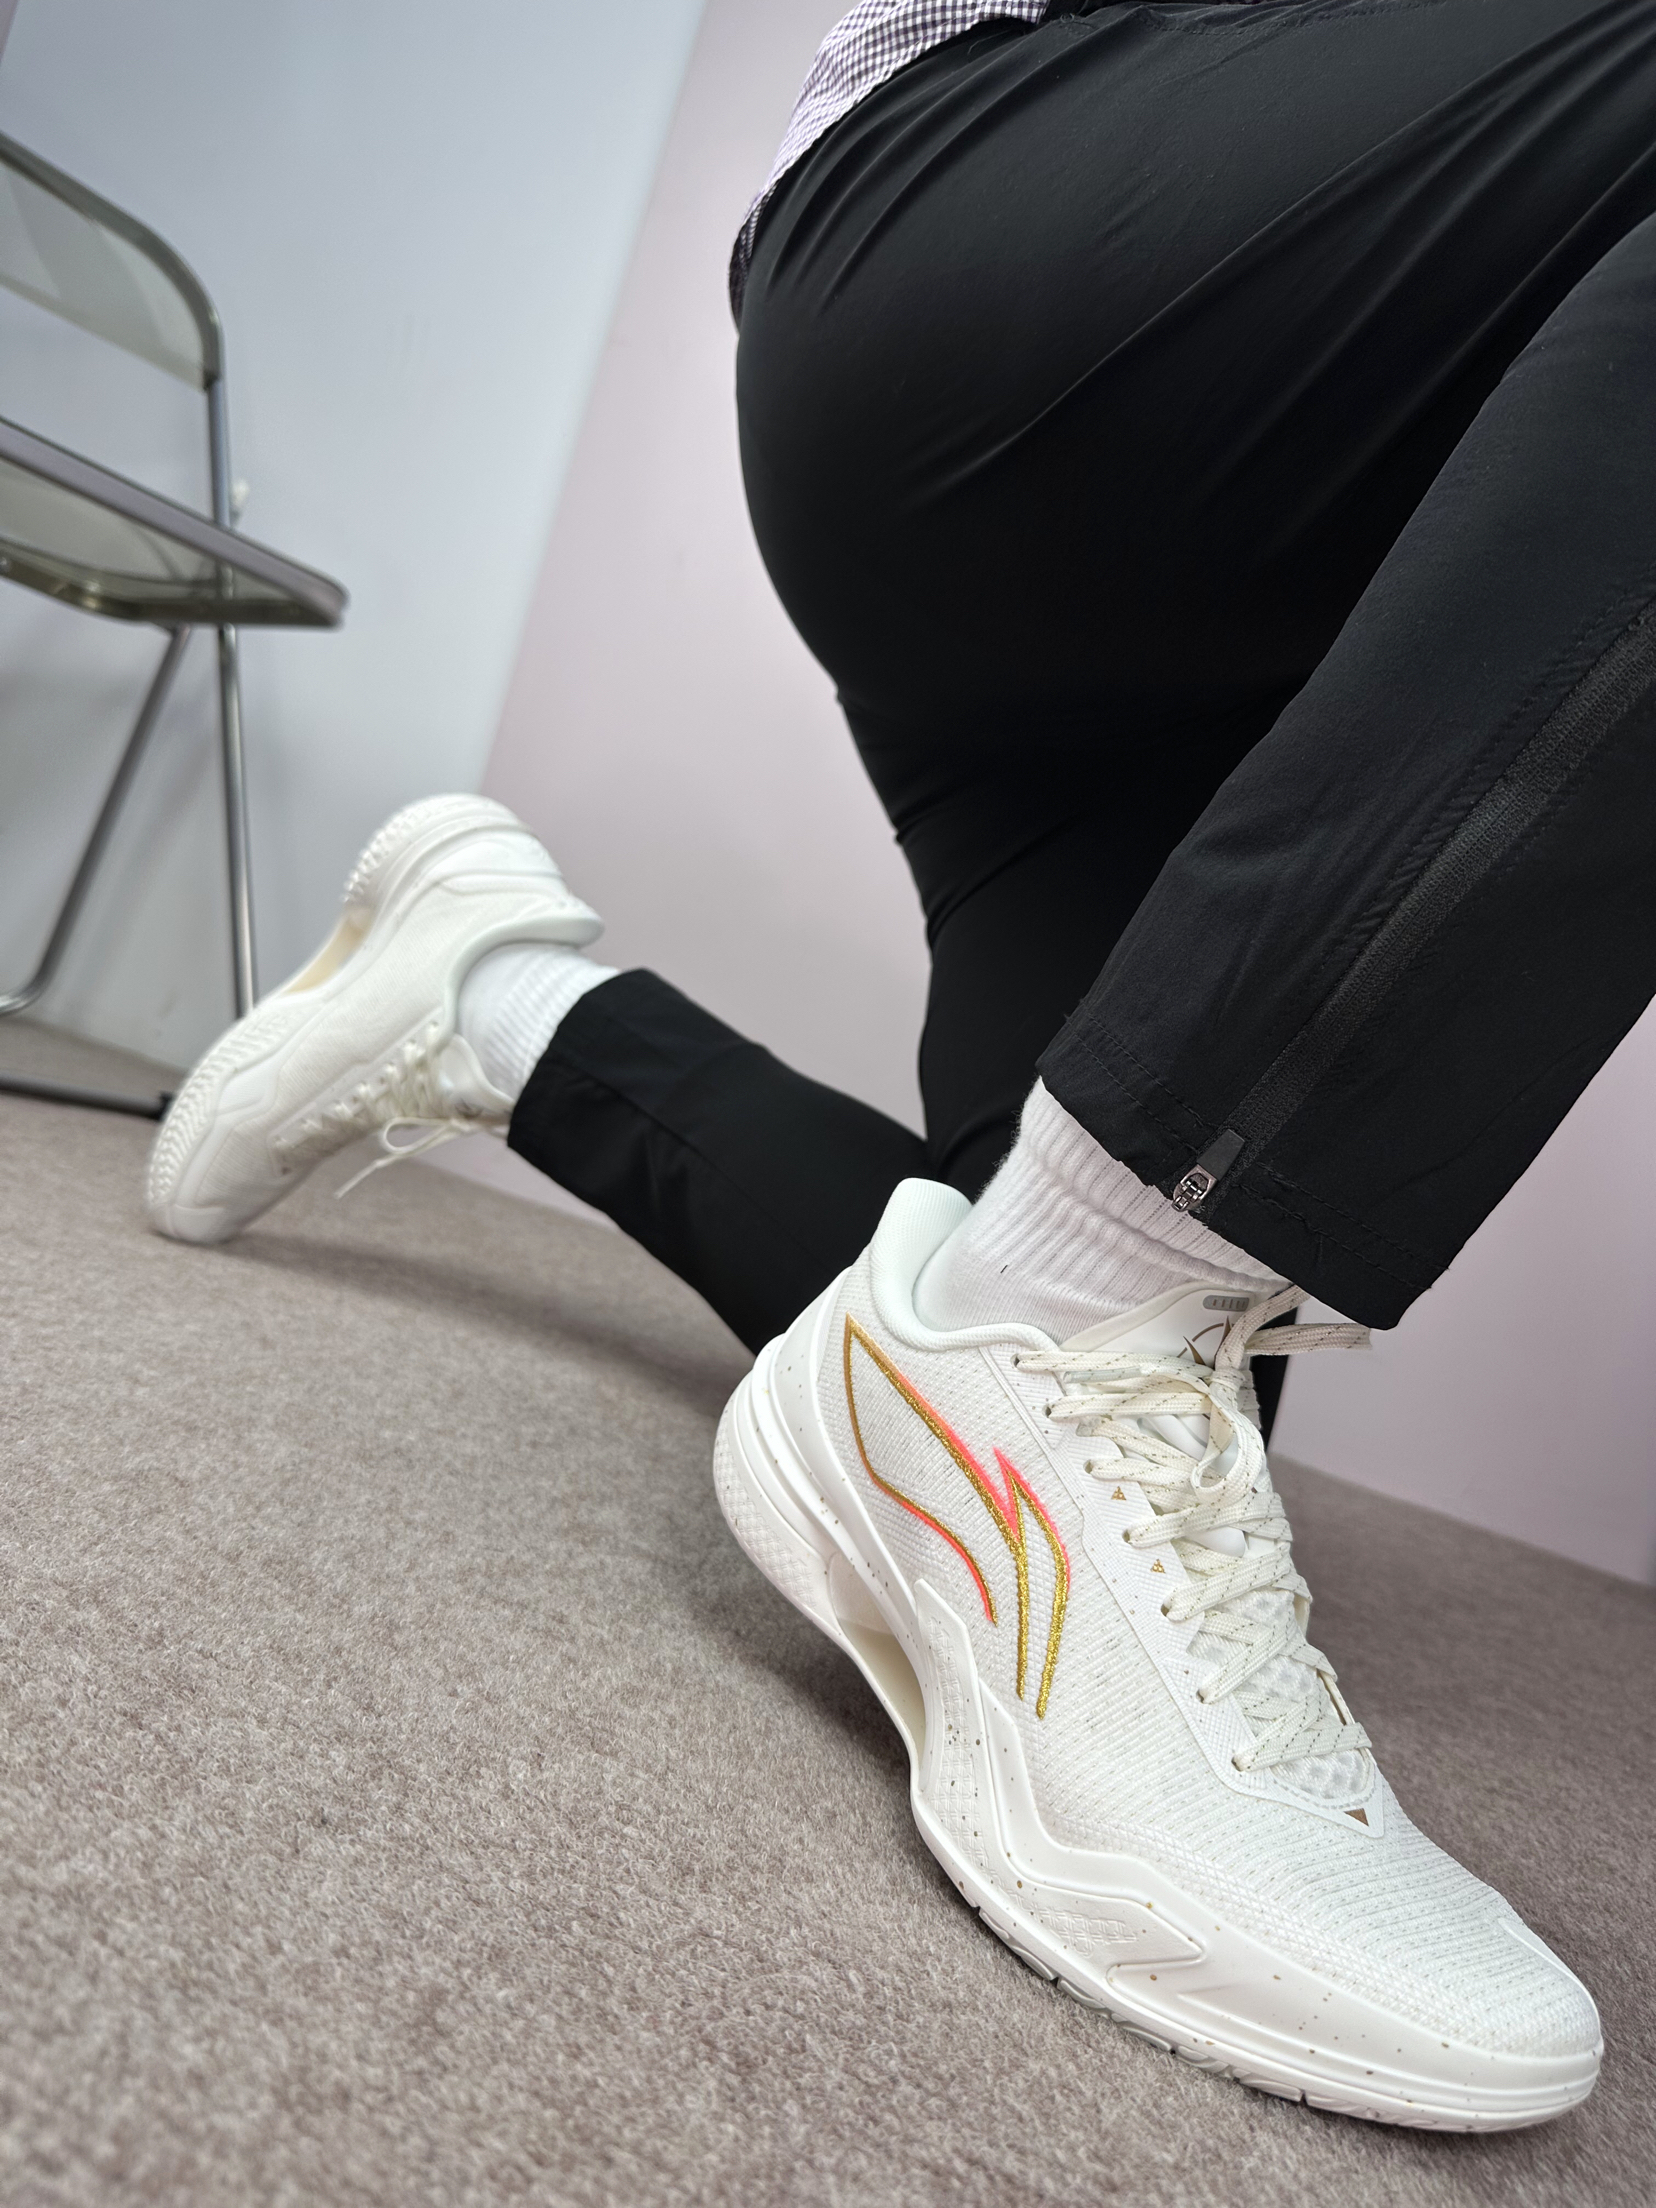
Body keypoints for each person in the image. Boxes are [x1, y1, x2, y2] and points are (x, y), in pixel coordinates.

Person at [145, 0, 1656, 2125]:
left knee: (1055, 1380)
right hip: (1015, 282)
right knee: (1108, 1291)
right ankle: (1090, 1299)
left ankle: (499, 1005)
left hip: (1266, 560)